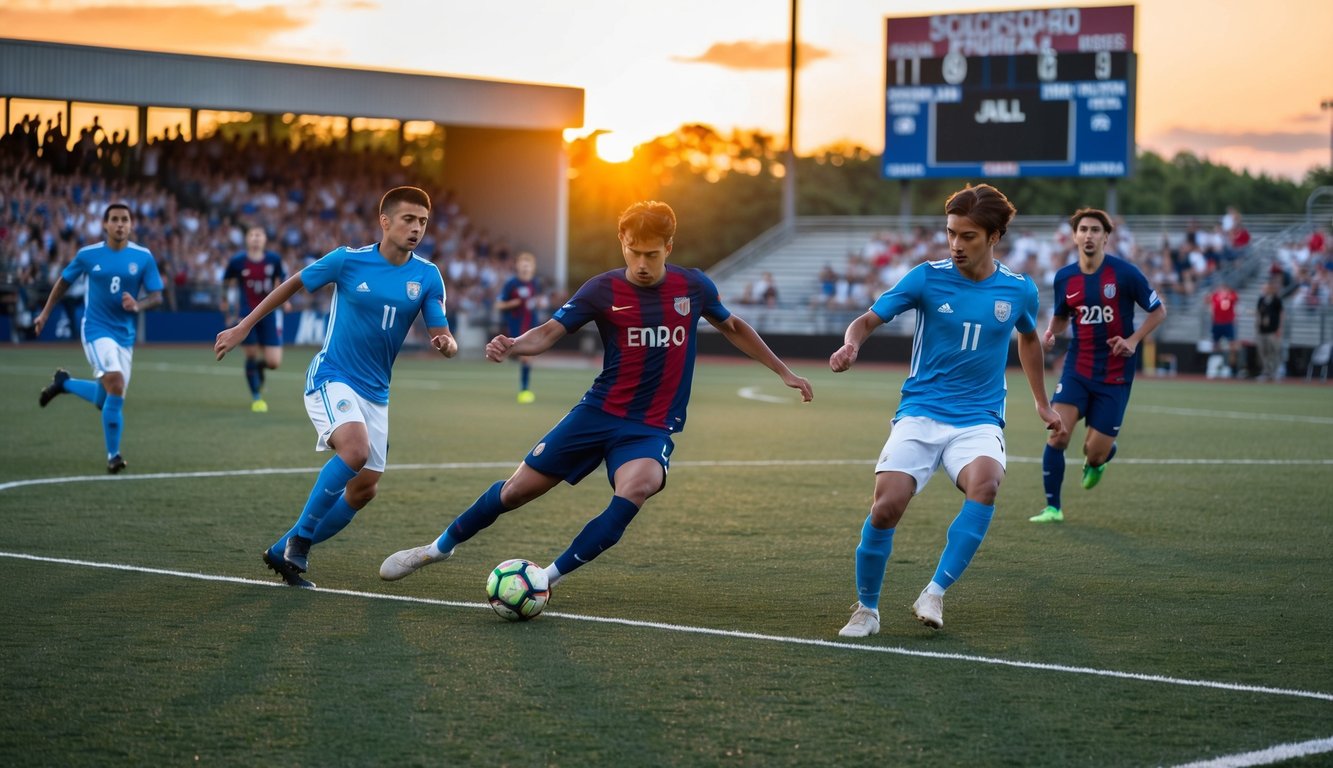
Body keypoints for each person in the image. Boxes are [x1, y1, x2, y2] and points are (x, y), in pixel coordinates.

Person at [379, 200, 813, 593]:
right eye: (633, 251)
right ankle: (437, 549)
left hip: (648, 426)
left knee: (639, 486)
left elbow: (734, 327)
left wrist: (784, 372)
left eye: (652, 254)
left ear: (669, 247)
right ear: (621, 242)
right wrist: (513, 345)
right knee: (515, 492)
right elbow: (549, 332)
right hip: (597, 412)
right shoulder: (601, 290)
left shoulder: (693, 287)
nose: (641, 263)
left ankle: (543, 580)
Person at [830, 184, 1065, 637]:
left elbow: (1030, 338)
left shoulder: (1019, 290)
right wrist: (851, 344)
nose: (956, 245)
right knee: (886, 506)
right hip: (920, 411)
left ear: (994, 236)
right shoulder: (926, 277)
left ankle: (934, 591)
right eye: (951, 233)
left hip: (978, 418)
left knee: (986, 484)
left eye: (968, 236)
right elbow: (866, 320)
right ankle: (867, 610)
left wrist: (1041, 402)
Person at [215, 186, 458, 588]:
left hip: (377, 392)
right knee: (355, 451)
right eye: (408, 220)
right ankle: (301, 543)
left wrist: (446, 345)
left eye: (423, 222)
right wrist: (244, 326)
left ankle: (281, 550)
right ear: (385, 222)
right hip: (332, 376)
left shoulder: (427, 276)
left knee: (365, 489)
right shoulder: (348, 260)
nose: (417, 229)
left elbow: (442, 335)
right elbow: (292, 284)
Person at [1029, 208, 1166, 525]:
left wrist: (1132, 341)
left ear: (1106, 236)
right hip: (1078, 366)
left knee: (1095, 451)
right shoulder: (1065, 277)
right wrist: (1051, 332)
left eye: (1095, 230)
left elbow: (1158, 312)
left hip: (1115, 373)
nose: (1088, 235)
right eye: (1083, 230)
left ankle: (1099, 459)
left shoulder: (1125, 274)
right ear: (1075, 236)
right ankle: (1053, 508)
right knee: (1058, 435)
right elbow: (1063, 316)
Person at [34, 203, 164, 474]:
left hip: (124, 335)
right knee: (116, 383)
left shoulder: (143, 257)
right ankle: (113, 457)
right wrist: (45, 313)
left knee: (105, 398)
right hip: (96, 329)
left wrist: (139, 305)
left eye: (125, 219)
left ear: (131, 224)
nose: (120, 224)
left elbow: (157, 296)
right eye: (114, 219)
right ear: (105, 225)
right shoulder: (88, 255)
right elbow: (63, 282)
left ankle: (64, 384)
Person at [220, 225, 289, 412]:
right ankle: (256, 397)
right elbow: (226, 282)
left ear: (265, 239)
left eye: (259, 234)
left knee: (273, 362)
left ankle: (260, 368)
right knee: (251, 353)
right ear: (247, 239)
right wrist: (225, 301)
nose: (256, 238)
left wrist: (286, 301)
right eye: (252, 235)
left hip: (269, 314)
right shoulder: (237, 261)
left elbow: (282, 282)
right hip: (245, 315)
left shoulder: (274, 260)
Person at [494, 251, 542, 403]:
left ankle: (524, 389)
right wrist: (512, 304)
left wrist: (541, 303)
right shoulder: (511, 284)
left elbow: (538, 300)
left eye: (528, 265)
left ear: (533, 267)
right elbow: (499, 304)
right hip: (515, 325)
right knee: (525, 357)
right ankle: (524, 390)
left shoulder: (536, 283)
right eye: (523, 265)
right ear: (518, 266)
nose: (526, 268)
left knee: (527, 358)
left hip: (532, 325)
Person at [1254, 278, 1284, 381]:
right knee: (1263, 352)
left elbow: (1281, 314)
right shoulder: (1261, 299)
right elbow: (1258, 313)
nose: (1264, 290)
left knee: (1274, 351)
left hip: (1272, 330)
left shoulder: (1276, 300)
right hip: (1262, 331)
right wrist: (1257, 326)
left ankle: (1275, 372)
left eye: (1266, 288)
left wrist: (1279, 328)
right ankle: (1266, 372)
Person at [1209, 281, 1240, 377]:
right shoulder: (1217, 296)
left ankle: (1231, 368)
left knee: (1232, 346)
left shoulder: (1229, 295)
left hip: (1227, 323)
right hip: (1218, 323)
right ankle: (1217, 366)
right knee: (1216, 346)